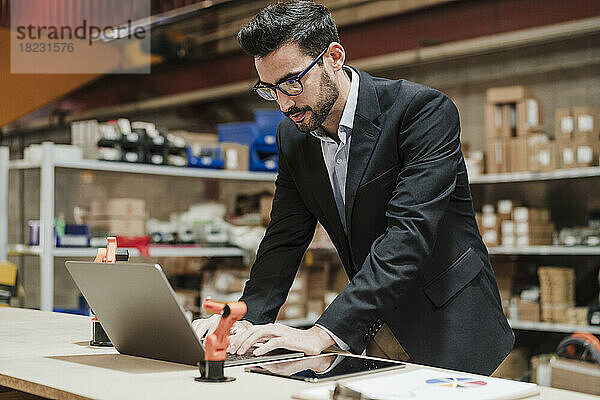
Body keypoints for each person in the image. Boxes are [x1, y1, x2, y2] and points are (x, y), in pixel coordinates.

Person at [193, 0, 514, 375]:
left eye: (293, 82)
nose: (284, 103)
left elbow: (408, 235)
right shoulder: (295, 137)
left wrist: (322, 333)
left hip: (450, 321)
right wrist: (244, 319)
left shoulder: (421, 112)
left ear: (334, 57)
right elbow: (284, 237)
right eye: (269, 90)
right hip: (373, 323)